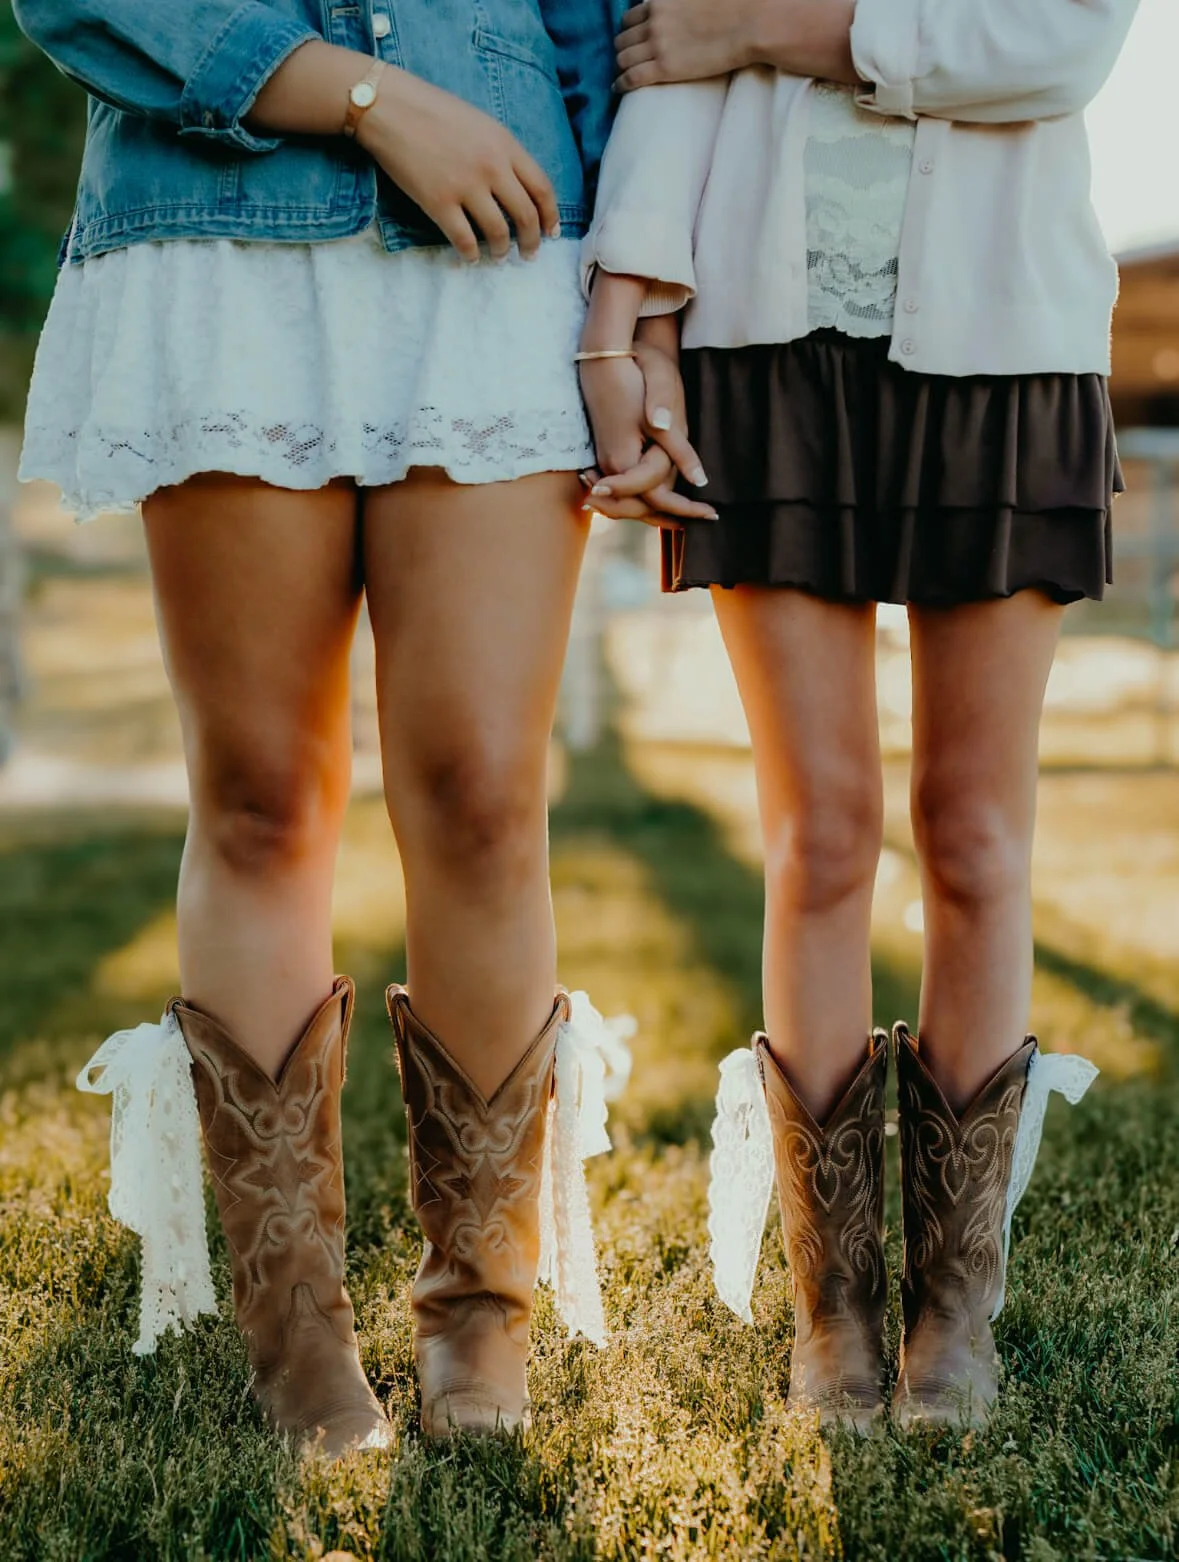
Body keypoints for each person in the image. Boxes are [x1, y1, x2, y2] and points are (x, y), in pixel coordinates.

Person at [17, 0, 648, 1455]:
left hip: (500, 242)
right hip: (218, 229)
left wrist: (633, 295)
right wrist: (365, 98)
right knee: (255, 797)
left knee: (486, 791)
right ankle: (296, 1328)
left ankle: (478, 1308)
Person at [577, 0, 1132, 1429]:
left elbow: (1056, 47)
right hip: (763, 355)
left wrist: (765, 27)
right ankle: (834, 1313)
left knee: (972, 836)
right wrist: (626, 321)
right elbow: (662, 69)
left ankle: (954, 1307)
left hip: (1005, 346)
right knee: (818, 833)